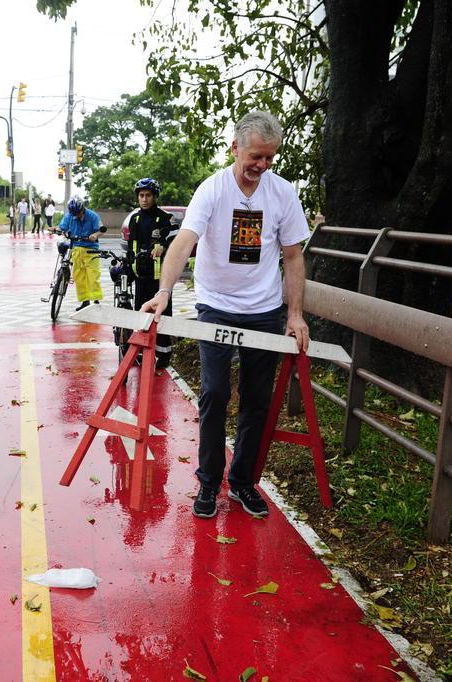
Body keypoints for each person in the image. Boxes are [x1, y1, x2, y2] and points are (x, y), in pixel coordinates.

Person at [140, 110, 311, 519]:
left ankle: (243, 483)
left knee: (256, 400)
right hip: (216, 306)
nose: (262, 165)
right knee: (215, 393)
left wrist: (296, 314)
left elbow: (292, 256)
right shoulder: (212, 190)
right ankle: (208, 482)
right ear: (235, 148)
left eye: (270, 158)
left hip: (265, 310)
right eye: (255, 156)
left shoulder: (283, 193)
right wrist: (164, 292)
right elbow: (184, 242)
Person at [126, 178, 179, 369]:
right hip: (140, 276)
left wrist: (163, 246)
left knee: (162, 316)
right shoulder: (135, 219)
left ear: (155, 196)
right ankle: (139, 352)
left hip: (160, 280)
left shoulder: (166, 218)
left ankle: (164, 354)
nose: (145, 199)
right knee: (141, 315)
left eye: (148, 195)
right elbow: (130, 246)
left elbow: (176, 239)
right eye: (141, 195)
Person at [58, 195, 103, 310]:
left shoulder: (93, 216)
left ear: (82, 208)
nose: (76, 216)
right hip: (76, 248)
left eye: (78, 213)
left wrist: (95, 235)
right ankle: (85, 301)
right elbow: (62, 226)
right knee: (79, 277)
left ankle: (96, 300)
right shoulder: (70, 216)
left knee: (93, 275)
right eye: (74, 214)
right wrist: (57, 230)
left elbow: (100, 229)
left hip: (91, 249)